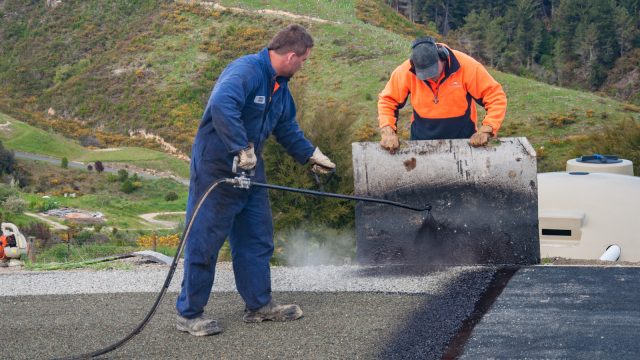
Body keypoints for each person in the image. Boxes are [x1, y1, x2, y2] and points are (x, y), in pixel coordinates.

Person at [176, 24, 335, 336]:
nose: (303, 66)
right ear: (291, 56)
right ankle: (189, 314)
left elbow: (286, 127)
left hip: (250, 169)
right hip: (216, 170)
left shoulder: (281, 89)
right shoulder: (246, 70)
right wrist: (240, 146)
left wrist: (311, 155)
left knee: (256, 238)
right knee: (204, 241)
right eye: (304, 60)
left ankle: (259, 306)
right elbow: (222, 105)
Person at [378, 37, 507, 152]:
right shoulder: (406, 71)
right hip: (421, 143)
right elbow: (388, 101)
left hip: (464, 143)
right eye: (425, 75)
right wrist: (388, 131)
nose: (431, 78)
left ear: (442, 56)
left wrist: (487, 129)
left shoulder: (466, 66)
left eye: (433, 71)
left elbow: (495, 96)